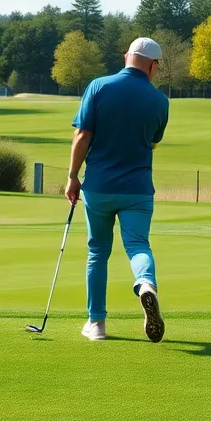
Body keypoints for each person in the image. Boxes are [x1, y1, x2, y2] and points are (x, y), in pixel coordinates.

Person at [65, 37, 170, 343]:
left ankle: (96, 324)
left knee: (98, 252)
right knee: (138, 245)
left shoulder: (99, 86)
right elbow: (152, 141)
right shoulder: (160, 102)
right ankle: (146, 284)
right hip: (137, 189)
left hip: (99, 186)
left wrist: (73, 175)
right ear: (153, 66)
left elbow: (83, 134)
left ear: (127, 57)